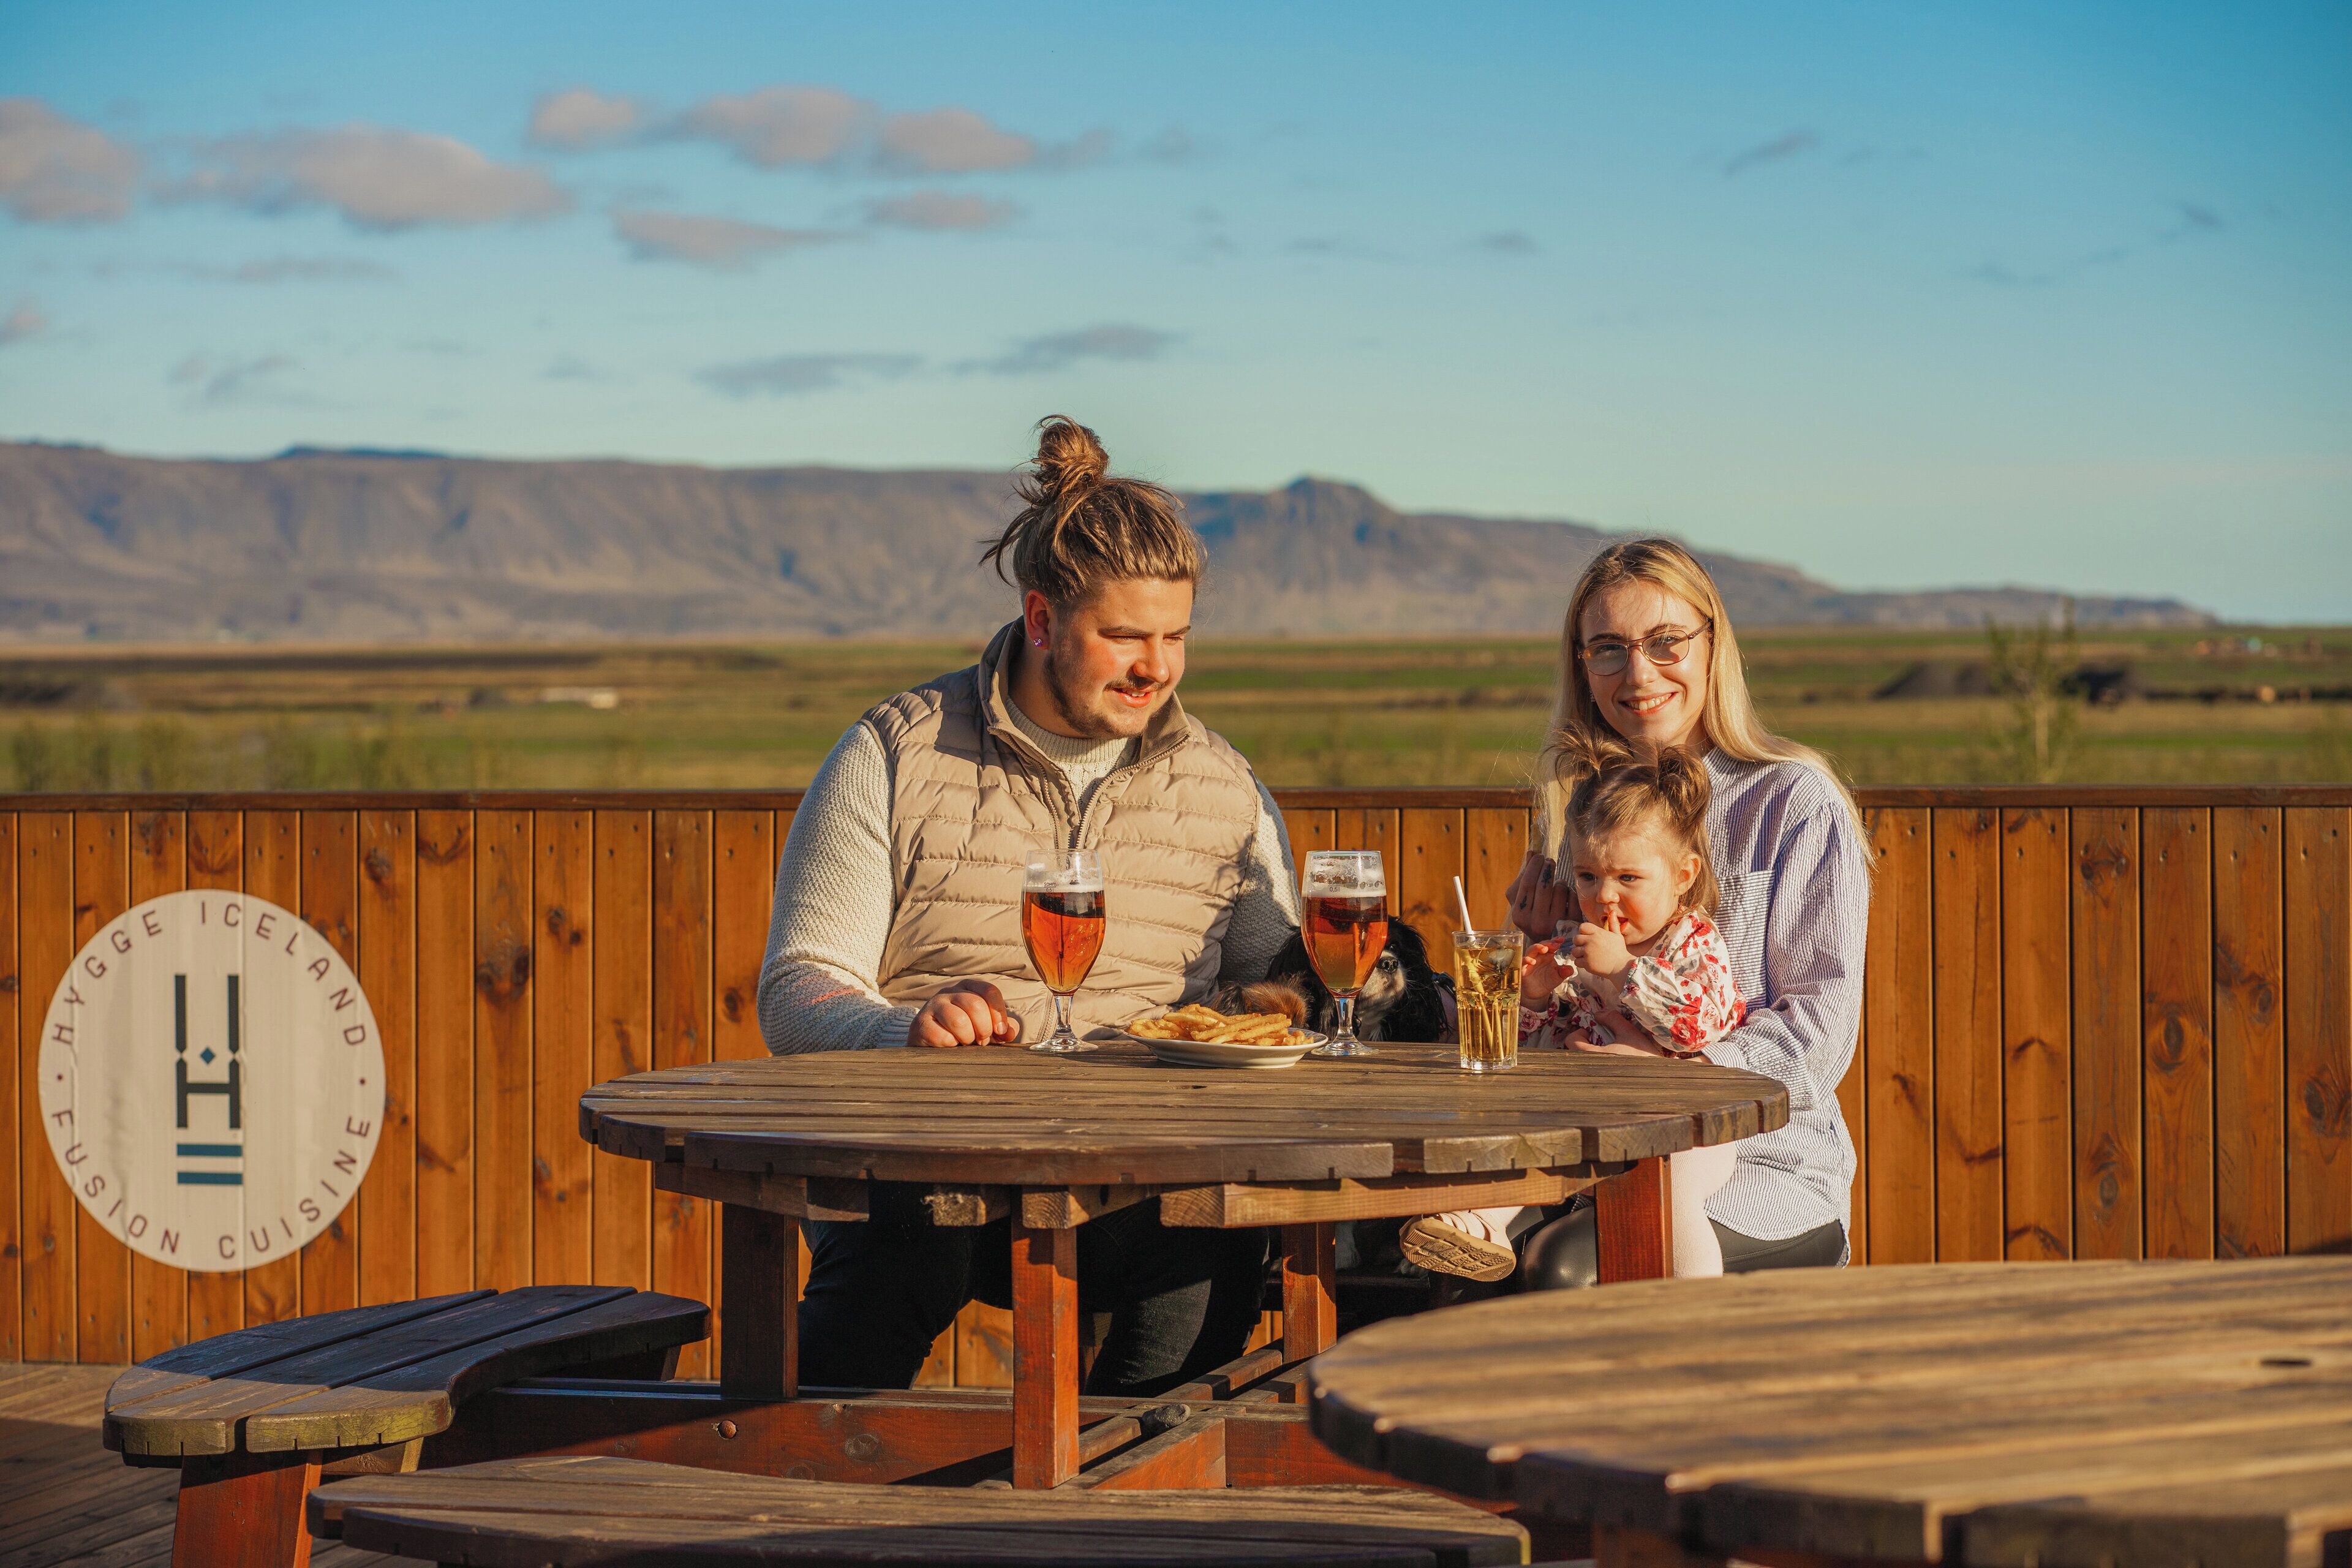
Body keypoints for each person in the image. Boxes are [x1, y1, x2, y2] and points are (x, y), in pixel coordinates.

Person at [755, 415, 1300, 1395]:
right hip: (926, 1168)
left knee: (1184, 1376)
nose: (1157, 668)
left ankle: (1117, 1526)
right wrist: (900, 1030)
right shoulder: (892, 752)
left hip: (1155, 1183)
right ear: (1043, 620)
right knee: (837, 1394)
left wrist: (1273, 1013)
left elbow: (1278, 985)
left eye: (1175, 637)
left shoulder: (1228, 786)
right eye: (1125, 636)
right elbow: (797, 993)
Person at [1502, 538, 1869, 1288]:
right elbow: (1556, 1015)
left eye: (1666, 641)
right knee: (1419, 1237)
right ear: (1581, 665)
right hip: (1587, 1147)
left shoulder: (1794, 803)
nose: (1638, 673)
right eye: (1608, 649)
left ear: (1713, 645)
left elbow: (1819, 1033)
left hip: (1760, 1159)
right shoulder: (1581, 808)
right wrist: (1526, 962)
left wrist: (1685, 1078)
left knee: (1567, 1268)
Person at [1400, 741, 1744, 1281]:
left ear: (1683, 875)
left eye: (1629, 879)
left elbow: (1702, 1024)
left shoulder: (1691, 941)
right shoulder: (1573, 946)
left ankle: (1698, 1310)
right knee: (1516, 1133)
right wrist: (1534, 996)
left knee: (1672, 1190)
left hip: (1685, 1127)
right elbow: (1537, 1044)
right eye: (1588, 877)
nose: (1605, 897)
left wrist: (1625, 973)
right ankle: (1479, 1225)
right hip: (1587, 1121)